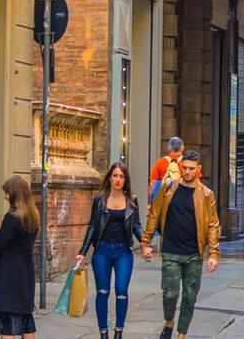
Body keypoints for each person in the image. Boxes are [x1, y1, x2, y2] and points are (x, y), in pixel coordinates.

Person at [142, 151, 220, 339]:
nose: (187, 171)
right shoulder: (169, 188)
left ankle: (181, 334)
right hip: (171, 251)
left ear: (198, 169)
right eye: (184, 167)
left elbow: (213, 224)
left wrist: (213, 254)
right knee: (170, 293)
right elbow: (155, 214)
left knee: (189, 297)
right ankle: (169, 322)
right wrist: (146, 242)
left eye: (191, 168)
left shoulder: (207, 194)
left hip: (194, 253)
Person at [74, 164, 141, 339]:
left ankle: (118, 331)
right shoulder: (99, 200)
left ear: (125, 179)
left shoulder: (132, 200)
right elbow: (92, 226)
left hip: (123, 252)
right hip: (102, 250)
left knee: (121, 290)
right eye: (115, 176)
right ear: (109, 178)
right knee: (102, 292)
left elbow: (136, 226)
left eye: (121, 176)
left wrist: (145, 243)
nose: (118, 179)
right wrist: (83, 251)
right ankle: (103, 332)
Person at [0, 176, 38, 339]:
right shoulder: (32, 216)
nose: (5, 197)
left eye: (7, 193)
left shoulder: (12, 218)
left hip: (9, 275)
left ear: (15, 194)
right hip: (25, 273)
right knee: (25, 321)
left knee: (8, 325)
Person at [149, 137, 185, 204]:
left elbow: (152, 185)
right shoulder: (187, 163)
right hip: (181, 200)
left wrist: (150, 204)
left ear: (169, 149)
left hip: (163, 200)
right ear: (182, 148)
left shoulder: (161, 162)